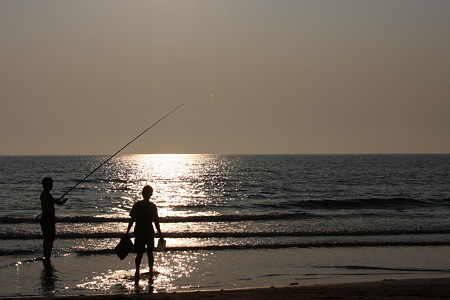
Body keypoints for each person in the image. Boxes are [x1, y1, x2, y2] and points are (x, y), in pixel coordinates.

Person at [126, 185, 164, 284]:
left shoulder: (137, 205)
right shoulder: (152, 206)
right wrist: (160, 235)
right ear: (150, 194)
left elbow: (132, 220)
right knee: (150, 252)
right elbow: (156, 222)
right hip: (149, 231)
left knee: (139, 253)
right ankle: (150, 270)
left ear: (142, 193)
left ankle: (137, 270)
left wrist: (127, 232)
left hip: (139, 231)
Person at [40, 177, 67, 260]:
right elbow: (58, 202)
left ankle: (46, 255)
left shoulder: (45, 194)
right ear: (46, 185)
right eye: (50, 184)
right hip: (48, 218)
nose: (52, 185)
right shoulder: (46, 194)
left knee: (48, 238)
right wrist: (63, 201)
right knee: (50, 238)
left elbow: (53, 201)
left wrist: (57, 201)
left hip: (47, 217)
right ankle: (47, 255)